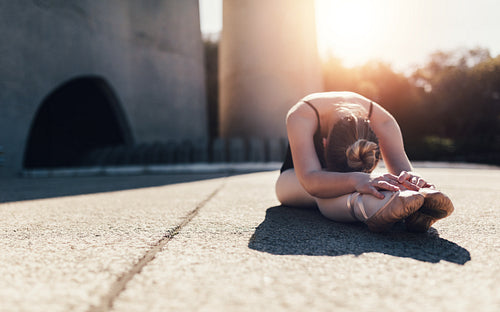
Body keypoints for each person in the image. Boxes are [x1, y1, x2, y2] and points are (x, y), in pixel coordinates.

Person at [275, 91, 454, 232]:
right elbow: (310, 180)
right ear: (324, 143)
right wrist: (355, 180)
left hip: (355, 179)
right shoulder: (301, 115)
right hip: (295, 180)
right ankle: (373, 206)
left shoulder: (384, 121)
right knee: (322, 193)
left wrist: (414, 181)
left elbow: (403, 171)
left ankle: (409, 202)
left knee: (386, 181)